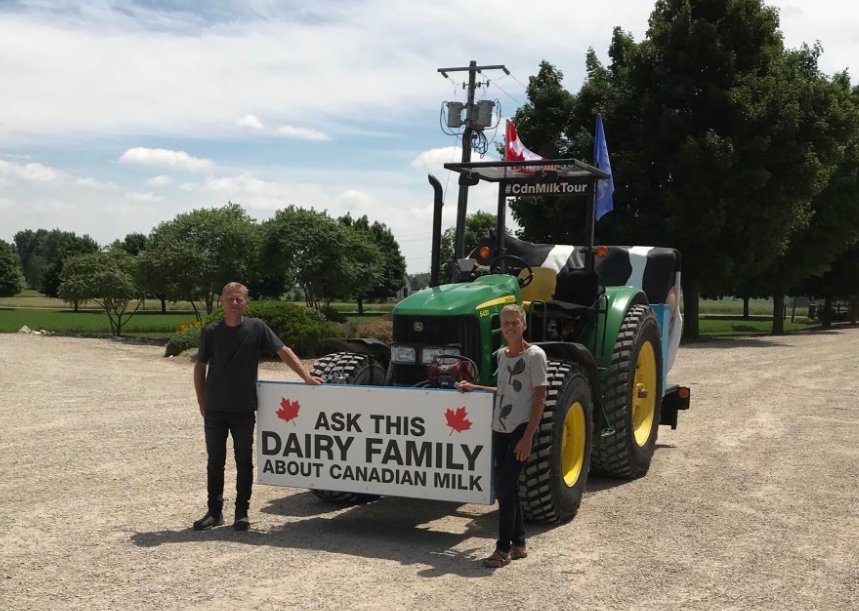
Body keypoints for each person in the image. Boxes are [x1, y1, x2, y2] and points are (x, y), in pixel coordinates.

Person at [192, 282, 323, 531]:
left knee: (244, 461)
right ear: (222, 301)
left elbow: (282, 350)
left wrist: (305, 376)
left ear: (246, 302)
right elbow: (200, 367)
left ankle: (241, 513)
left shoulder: (257, 328)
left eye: (239, 299)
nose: (234, 302)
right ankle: (214, 512)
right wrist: (202, 400)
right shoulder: (210, 331)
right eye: (230, 298)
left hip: (244, 408)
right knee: (215, 461)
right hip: (216, 409)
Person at [458, 303, 547, 568]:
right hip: (500, 428)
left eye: (514, 322)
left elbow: (540, 398)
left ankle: (502, 549)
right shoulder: (502, 355)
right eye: (505, 323)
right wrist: (476, 387)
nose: (510, 327)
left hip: (520, 429)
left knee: (504, 486)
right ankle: (519, 543)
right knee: (509, 488)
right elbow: (505, 388)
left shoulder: (535, 356)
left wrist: (528, 437)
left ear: (524, 324)